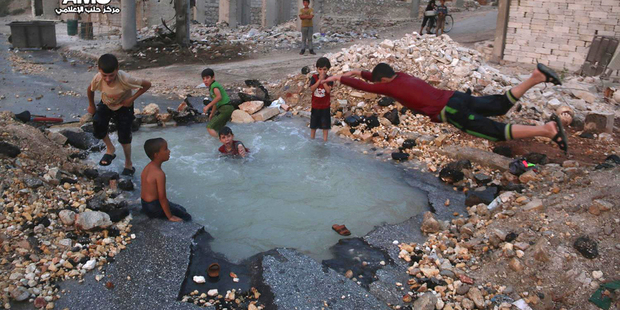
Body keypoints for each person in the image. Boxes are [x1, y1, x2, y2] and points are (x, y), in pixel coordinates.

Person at [323, 63, 568, 153]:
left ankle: (547, 130)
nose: (378, 84)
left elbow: (368, 87)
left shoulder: (391, 88)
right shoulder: (402, 76)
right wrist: (361, 71)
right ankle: (536, 77)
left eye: (378, 81)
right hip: (456, 97)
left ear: (384, 81)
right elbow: (377, 77)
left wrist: (340, 78)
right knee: (499, 104)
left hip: (451, 111)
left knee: (494, 131)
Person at [87, 54, 151, 176]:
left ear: (117, 69)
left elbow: (147, 84)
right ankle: (110, 148)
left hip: (124, 106)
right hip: (106, 103)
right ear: (99, 70)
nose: (107, 79)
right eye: (104, 75)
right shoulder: (97, 78)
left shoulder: (125, 79)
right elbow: (90, 90)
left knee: (124, 136)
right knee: (97, 124)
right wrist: (91, 105)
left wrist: (131, 99)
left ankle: (128, 163)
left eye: (111, 75)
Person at [141, 138, 192, 222]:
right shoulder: (159, 174)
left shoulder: (147, 167)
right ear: (156, 154)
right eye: (166, 149)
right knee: (186, 216)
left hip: (145, 205)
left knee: (181, 208)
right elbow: (162, 198)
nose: (169, 151)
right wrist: (170, 217)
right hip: (154, 208)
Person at [201, 69, 234, 138]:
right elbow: (215, 102)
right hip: (226, 109)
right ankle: (228, 141)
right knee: (218, 129)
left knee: (209, 127)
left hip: (225, 108)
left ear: (213, 78)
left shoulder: (214, 86)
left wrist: (207, 106)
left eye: (207, 78)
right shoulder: (212, 87)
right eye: (203, 78)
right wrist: (212, 113)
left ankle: (220, 142)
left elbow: (219, 97)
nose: (205, 80)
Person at [309, 57, 334, 141]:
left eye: (324, 69)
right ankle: (312, 139)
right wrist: (319, 80)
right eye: (320, 69)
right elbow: (312, 89)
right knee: (313, 126)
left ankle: (325, 141)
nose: (322, 71)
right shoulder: (314, 78)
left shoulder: (329, 79)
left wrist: (323, 81)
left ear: (328, 69)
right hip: (315, 106)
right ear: (317, 69)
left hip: (325, 107)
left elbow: (328, 90)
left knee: (325, 126)